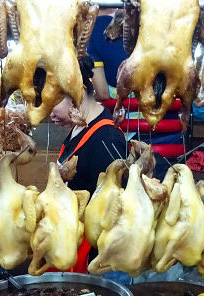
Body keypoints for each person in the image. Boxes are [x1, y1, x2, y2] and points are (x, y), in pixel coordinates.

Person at [51, 56, 127, 194]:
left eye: (52, 104)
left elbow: (117, 199)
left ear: (77, 92)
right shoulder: (79, 128)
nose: (50, 114)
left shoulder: (107, 140)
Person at [87, 8, 128, 101]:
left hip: (123, 105)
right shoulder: (139, 18)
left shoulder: (91, 30)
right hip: (155, 98)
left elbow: (102, 94)